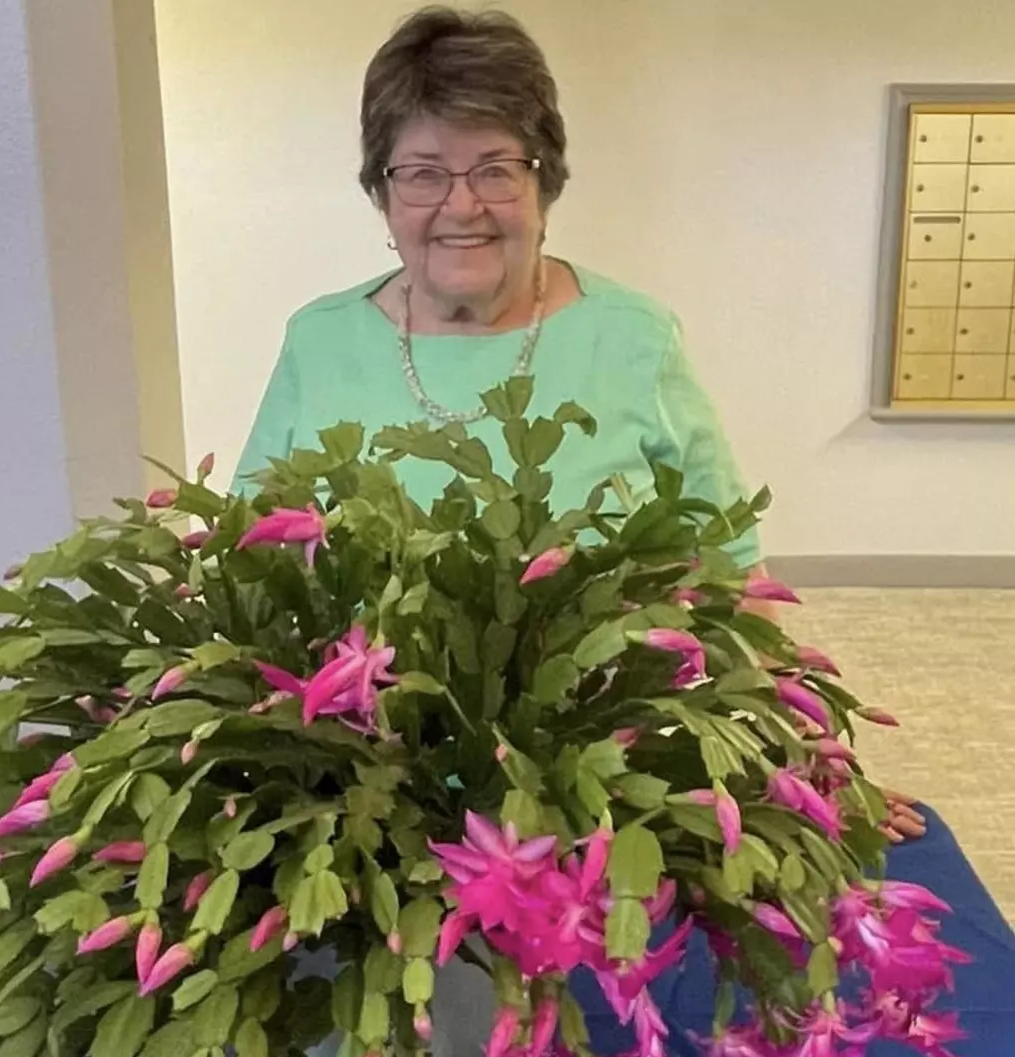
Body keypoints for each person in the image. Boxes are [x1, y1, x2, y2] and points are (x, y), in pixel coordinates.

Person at [234, 6, 924, 842]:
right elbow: (249, 564)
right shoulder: (318, 341)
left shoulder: (635, 338)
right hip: (362, 787)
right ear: (382, 194)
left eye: (496, 169)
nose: (461, 205)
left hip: (603, 791)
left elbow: (728, 570)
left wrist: (801, 754)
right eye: (422, 173)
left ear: (545, 184)